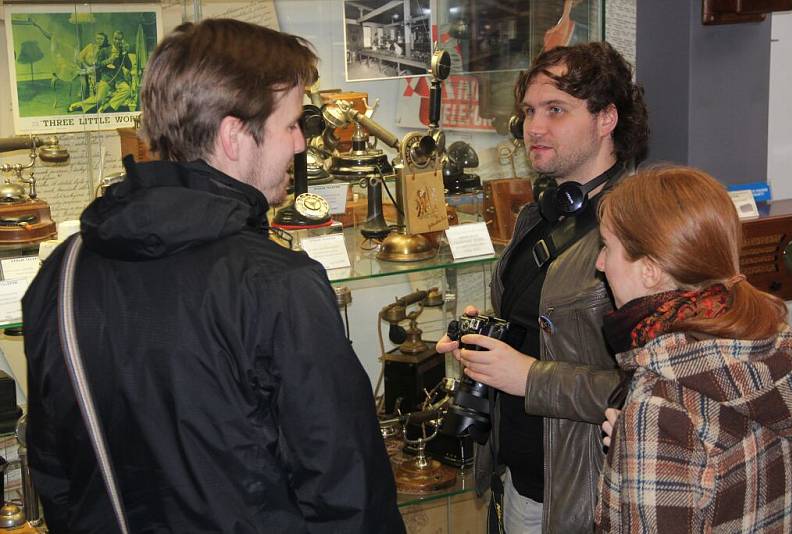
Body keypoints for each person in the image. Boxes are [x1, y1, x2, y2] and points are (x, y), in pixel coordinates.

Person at [24, 19, 405, 533]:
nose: (299, 145)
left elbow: (55, 473)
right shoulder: (279, 284)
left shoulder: (61, 273)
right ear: (233, 136)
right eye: (291, 125)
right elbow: (348, 492)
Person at [436, 41, 648, 533]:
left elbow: (653, 392)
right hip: (516, 477)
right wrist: (485, 338)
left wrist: (528, 376)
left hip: (579, 494)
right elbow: (544, 328)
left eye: (556, 110)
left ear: (606, 119)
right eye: (530, 111)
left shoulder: (640, 229)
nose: (535, 126)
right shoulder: (543, 212)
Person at [594, 166, 792, 532]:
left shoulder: (659, 407)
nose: (599, 263)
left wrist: (638, 439)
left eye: (607, 247)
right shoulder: (776, 345)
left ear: (651, 271)